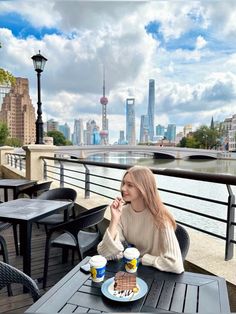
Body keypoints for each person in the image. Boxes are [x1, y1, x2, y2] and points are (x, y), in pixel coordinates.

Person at [97, 165, 184, 274]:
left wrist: (143, 259)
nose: (123, 188)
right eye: (124, 183)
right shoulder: (122, 212)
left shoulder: (161, 218)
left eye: (130, 185)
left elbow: (176, 265)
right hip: (132, 272)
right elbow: (104, 253)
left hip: (156, 275)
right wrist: (114, 219)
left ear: (144, 188)